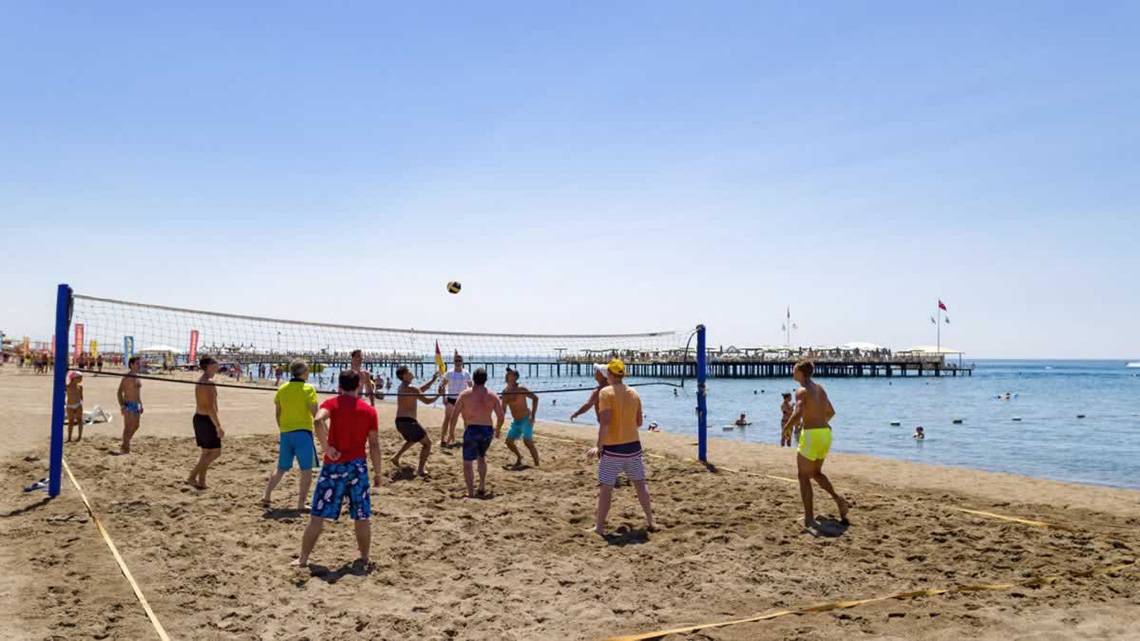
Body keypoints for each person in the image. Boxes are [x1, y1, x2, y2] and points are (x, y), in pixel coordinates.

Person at [296, 370, 382, 569]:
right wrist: (378, 472)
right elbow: (375, 445)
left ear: (339, 386)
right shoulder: (369, 410)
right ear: (359, 386)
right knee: (361, 516)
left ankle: (303, 559)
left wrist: (327, 448)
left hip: (334, 466)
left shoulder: (332, 403)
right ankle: (364, 558)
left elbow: (318, 421)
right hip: (357, 467)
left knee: (317, 514)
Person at [587, 359, 654, 537]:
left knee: (606, 489)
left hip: (613, 449)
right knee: (640, 485)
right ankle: (650, 521)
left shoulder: (606, 393)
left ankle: (599, 528)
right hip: (633, 446)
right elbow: (639, 422)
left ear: (609, 374)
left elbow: (605, 422)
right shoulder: (634, 393)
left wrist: (598, 445)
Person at [782, 360, 849, 533]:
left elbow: (798, 413)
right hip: (825, 434)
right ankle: (839, 499)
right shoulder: (820, 388)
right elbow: (831, 412)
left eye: (794, 369)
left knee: (803, 476)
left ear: (801, 373)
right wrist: (819, 422)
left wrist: (787, 428)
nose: (792, 371)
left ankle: (809, 518)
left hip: (811, 435)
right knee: (815, 473)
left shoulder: (801, 390)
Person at [263, 360, 320, 510]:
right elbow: (316, 414)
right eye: (308, 370)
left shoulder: (282, 388)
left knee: (281, 468)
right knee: (306, 470)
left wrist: (283, 428)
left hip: (286, 433)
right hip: (303, 433)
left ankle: (267, 495)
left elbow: (278, 413)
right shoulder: (308, 388)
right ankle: (301, 504)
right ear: (303, 372)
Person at [446, 368, 504, 498]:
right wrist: (498, 429)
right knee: (481, 457)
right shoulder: (493, 395)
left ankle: (471, 493)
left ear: (473, 379)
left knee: (467, 462)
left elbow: (454, 416)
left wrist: (451, 432)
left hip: (472, 429)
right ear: (486, 379)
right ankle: (482, 486)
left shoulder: (464, 395)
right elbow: (501, 416)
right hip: (487, 430)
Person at [392, 366, 440, 477]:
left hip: (399, 421)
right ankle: (420, 470)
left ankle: (396, 457)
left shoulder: (403, 387)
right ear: (404, 375)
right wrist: (439, 395)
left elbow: (420, 390)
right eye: (409, 371)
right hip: (409, 422)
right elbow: (427, 401)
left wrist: (432, 381)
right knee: (427, 444)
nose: (412, 372)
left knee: (412, 439)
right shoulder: (411, 388)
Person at [188, 355, 225, 490]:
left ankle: (202, 482)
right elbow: (210, 408)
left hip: (200, 418)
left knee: (206, 453)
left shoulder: (204, 380)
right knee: (216, 452)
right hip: (206, 420)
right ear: (209, 366)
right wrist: (218, 426)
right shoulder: (207, 383)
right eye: (215, 362)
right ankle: (192, 476)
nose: (218, 363)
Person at [502, 368, 540, 468]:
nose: (507, 374)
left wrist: (533, 415)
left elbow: (535, 398)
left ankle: (537, 464)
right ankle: (519, 457)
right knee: (509, 442)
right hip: (516, 421)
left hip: (526, 418)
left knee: (527, 442)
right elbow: (503, 411)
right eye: (507, 373)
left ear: (515, 377)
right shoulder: (505, 392)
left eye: (510, 373)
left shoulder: (521, 389)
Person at [441, 354, 473, 447]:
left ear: (462, 362)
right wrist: (443, 398)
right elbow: (442, 386)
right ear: (454, 362)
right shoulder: (449, 373)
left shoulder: (466, 373)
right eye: (456, 360)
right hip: (451, 399)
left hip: (463, 400)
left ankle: (467, 439)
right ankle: (443, 439)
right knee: (447, 419)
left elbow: (471, 387)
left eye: (459, 360)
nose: (458, 362)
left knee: (466, 420)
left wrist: (472, 399)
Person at [116, 356, 144, 454]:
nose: (139, 365)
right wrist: (122, 406)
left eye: (140, 363)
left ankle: (125, 444)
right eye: (137, 363)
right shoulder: (127, 377)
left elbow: (137, 393)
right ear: (131, 365)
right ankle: (126, 449)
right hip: (128, 405)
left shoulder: (137, 376)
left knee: (136, 426)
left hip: (136, 405)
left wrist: (141, 404)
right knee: (128, 427)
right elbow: (119, 392)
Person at [65, 372, 84, 442]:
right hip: (70, 405)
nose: (81, 379)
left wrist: (80, 404)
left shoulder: (80, 387)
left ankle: (79, 437)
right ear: (73, 378)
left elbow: (82, 397)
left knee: (80, 420)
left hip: (78, 404)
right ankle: (69, 438)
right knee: (71, 422)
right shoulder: (67, 386)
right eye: (79, 378)